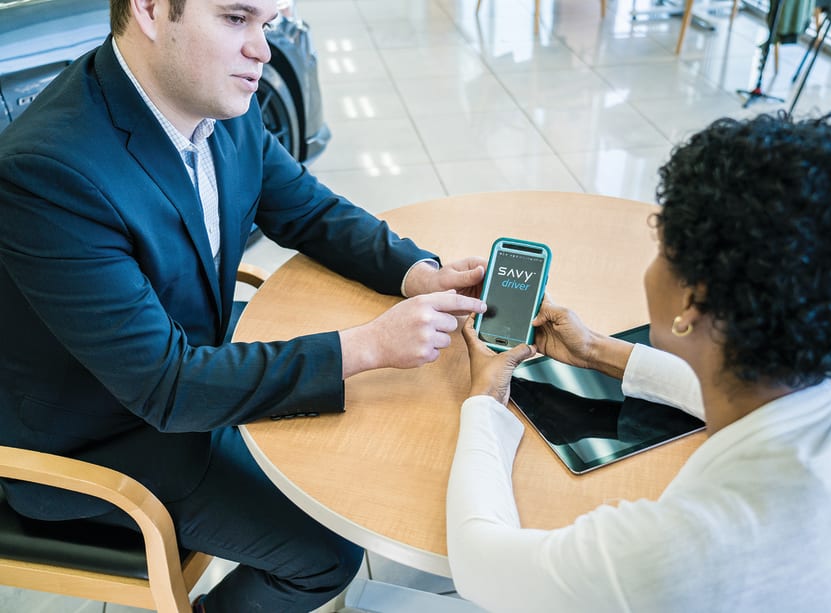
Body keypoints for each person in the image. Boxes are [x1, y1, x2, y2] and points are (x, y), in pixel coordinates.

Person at [0, 0, 487, 610]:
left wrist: (418, 272)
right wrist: (369, 345)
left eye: (268, 23)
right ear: (151, 9)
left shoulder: (215, 97)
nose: (261, 49)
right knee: (326, 551)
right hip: (103, 437)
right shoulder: (49, 171)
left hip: (187, 356)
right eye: (237, 19)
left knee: (391, 427)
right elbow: (168, 389)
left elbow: (307, 209)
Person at [447, 112, 831, 612]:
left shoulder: (672, 554)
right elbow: (770, 402)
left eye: (661, 250)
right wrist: (597, 351)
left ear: (692, 299)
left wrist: (483, 401)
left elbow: (478, 563)